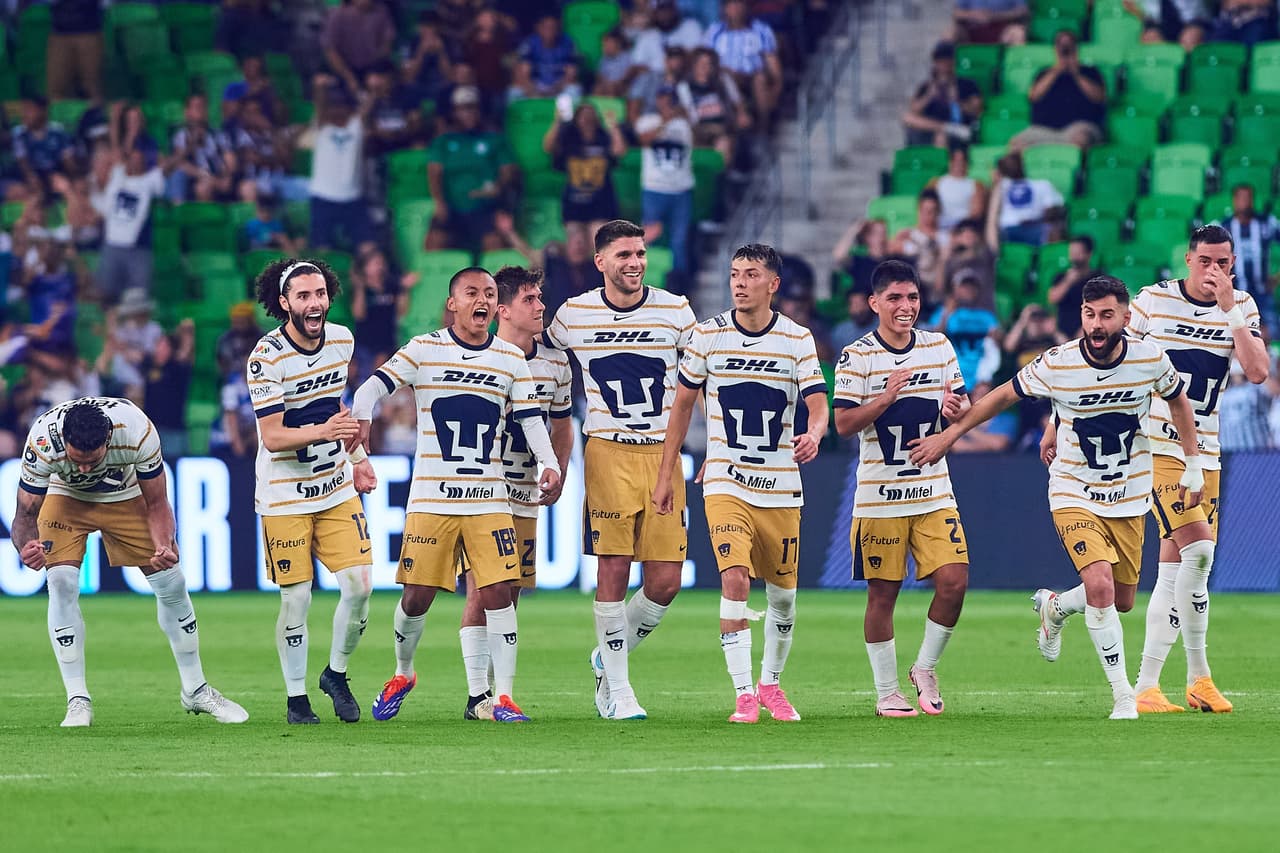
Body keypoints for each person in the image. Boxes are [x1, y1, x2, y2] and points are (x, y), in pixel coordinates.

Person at [910, 275, 1205, 720]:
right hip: (1072, 490)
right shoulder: (1058, 362)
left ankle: (1056, 606)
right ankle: (1124, 696)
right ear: (1081, 316)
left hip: (1128, 495)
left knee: (1121, 600)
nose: (1097, 324)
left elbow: (1179, 401)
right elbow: (1003, 395)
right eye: (1090, 315)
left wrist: (1193, 461)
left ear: (1126, 317)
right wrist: (951, 435)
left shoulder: (1150, 359)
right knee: (1102, 585)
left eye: (1107, 315)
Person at [350, 268, 562, 722]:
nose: (481, 299)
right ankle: (403, 671)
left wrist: (552, 463)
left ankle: (502, 696)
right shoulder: (425, 349)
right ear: (453, 303)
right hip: (432, 500)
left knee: (500, 592)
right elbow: (370, 389)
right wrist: (361, 438)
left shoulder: (509, 359)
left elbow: (528, 420)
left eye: (488, 293)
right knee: (416, 598)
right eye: (472, 293)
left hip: (489, 500)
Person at [654, 243, 828, 723]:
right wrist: (668, 473)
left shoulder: (797, 339)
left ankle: (771, 684)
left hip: (780, 485)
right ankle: (743, 693)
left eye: (751, 274)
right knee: (734, 577)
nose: (739, 282)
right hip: (725, 480)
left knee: (783, 596)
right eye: (734, 273)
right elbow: (682, 408)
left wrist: (813, 433)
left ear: (773, 284)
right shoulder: (707, 336)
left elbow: (818, 403)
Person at [541, 220, 697, 720]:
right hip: (607, 450)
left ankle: (609, 654)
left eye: (640, 253)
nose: (635, 263)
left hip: (663, 454)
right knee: (612, 568)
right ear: (600, 262)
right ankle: (618, 691)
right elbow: (539, 361)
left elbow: (703, 377)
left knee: (666, 582)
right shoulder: (573, 315)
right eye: (624, 254)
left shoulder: (676, 311)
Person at [12, 397, 248, 727]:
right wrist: (25, 547)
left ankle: (196, 689)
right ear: (64, 440)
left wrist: (164, 544)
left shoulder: (136, 430)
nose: (83, 469)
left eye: (91, 461)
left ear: (108, 440)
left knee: (172, 581)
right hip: (65, 498)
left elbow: (156, 502)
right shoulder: (42, 440)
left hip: (126, 495)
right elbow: (24, 513)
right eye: (76, 460)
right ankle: (77, 699)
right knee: (61, 582)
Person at [1123, 226, 1270, 713]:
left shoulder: (1241, 308)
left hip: (1205, 453)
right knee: (1201, 551)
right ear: (1188, 259)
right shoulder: (1153, 301)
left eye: (1222, 263)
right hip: (1156, 448)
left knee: (1180, 570)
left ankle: (1148, 685)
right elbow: (1108, 359)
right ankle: (1199, 675)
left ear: (1232, 264)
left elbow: (1258, 371)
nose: (1214, 271)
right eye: (1205, 261)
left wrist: (1229, 311)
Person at [832, 259, 971, 717]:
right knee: (883, 594)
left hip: (934, 491)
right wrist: (886, 397)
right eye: (894, 298)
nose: (905, 306)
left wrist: (955, 412)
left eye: (911, 297)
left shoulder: (939, 346)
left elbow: (962, 404)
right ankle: (887, 691)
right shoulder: (857, 356)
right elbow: (844, 424)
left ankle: (925, 668)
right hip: (879, 496)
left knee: (954, 582)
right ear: (874, 303)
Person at [248, 258, 378, 724]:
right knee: (296, 598)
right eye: (303, 296)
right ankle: (296, 699)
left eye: (320, 293)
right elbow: (273, 436)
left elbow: (335, 408)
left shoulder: (342, 339)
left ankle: (336, 674)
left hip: (335, 486)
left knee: (360, 586)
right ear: (284, 303)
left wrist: (358, 460)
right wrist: (325, 432)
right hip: (284, 493)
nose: (315, 303)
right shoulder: (266, 357)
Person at [456, 266, 574, 721]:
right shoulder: (475, 354)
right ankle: (477, 695)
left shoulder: (556, 362)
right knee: (484, 589)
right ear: (503, 310)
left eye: (540, 297)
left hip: (525, 491)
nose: (541, 305)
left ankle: (496, 692)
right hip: (480, 490)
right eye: (530, 299)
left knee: (513, 589)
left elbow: (562, 423)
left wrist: (557, 471)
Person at [425, 86, 519, 254]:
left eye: (472, 108)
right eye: (463, 109)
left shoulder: (494, 139)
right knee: (433, 242)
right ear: (454, 112)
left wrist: (498, 186)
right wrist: (439, 202)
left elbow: (508, 169)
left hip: (485, 207)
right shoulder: (444, 141)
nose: (468, 113)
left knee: (494, 243)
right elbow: (434, 172)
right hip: (453, 207)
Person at [637, 87, 696, 288]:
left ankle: (680, 288)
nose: (666, 103)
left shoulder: (684, 124)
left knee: (679, 242)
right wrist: (666, 121)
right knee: (648, 239)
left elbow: (699, 136)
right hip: (654, 189)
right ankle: (644, 284)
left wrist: (680, 116)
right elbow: (643, 140)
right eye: (663, 98)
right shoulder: (647, 121)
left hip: (681, 190)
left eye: (670, 99)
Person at [543, 102, 628, 241]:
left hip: (601, 201)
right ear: (576, 119)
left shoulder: (604, 138)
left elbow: (620, 150)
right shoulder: (569, 140)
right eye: (583, 116)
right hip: (574, 201)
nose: (587, 120)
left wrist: (613, 126)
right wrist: (557, 122)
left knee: (599, 242)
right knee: (576, 243)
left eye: (591, 116)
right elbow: (548, 147)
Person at [1010, 30, 1106, 152]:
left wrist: (1075, 72)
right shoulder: (1044, 73)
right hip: (1045, 129)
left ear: (1076, 48)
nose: (1065, 50)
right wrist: (1056, 70)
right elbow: (1033, 96)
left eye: (1069, 46)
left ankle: (1077, 170)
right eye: (1061, 46)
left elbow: (1099, 97)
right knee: (1016, 143)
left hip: (1080, 127)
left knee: (1081, 140)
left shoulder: (1090, 71)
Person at [307, 78, 374, 252]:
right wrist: (320, 87)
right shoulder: (322, 127)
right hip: (323, 197)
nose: (337, 110)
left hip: (353, 198)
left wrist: (372, 89)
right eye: (333, 106)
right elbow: (320, 105)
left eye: (341, 106)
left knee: (368, 247)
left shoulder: (356, 126)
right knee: (322, 249)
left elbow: (368, 106)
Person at [703, 0, 784, 131]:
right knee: (724, 77)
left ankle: (763, 130)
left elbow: (774, 68)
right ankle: (735, 124)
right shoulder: (714, 31)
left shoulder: (762, 30)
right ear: (725, 8)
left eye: (739, 4)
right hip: (722, 78)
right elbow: (705, 60)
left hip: (752, 78)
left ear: (746, 7)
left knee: (760, 79)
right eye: (731, 4)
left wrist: (776, 91)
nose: (736, 8)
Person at [1217, 184, 1280, 338]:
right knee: (1232, 335)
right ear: (1234, 201)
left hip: (1263, 292)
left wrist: (1277, 277)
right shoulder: (1223, 227)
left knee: (1271, 334)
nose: (1245, 202)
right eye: (1241, 198)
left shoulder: (1267, 223)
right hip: (1235, 292)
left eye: (1248, 198)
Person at [901, 43, 983, 148]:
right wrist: (929, 96)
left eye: (947, 60)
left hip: (958, 129)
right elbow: (914, 110)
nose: (944, 64)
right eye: (940, 61)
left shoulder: (967, 84)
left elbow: (977, 110)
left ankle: (945, 130)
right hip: (931, 128)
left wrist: (956, 101)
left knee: (941, 137)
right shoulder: (927, 86)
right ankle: (944, 127)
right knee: (907, 117)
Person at [986, 151, 1063, 249]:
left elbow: (1057, 210)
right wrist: (996, 182)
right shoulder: (1001, 187)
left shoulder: (1042, 184)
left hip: (1036, 227)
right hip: (1007, 231)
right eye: (1007, 162)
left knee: (1053, 230)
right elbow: (991, 215)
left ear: (1022, 163)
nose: (1011, 164)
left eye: (1014, 161)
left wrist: (1036, 220)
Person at [322, 0, 397, 97]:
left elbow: (387, 42)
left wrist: (376, 71)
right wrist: (348, 77)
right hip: (345, 69)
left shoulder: (381, 12)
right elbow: (330, 50)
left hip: (372, 69)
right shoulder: (338, 15)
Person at [1048, 235, 1100, 338]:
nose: (1074, 257)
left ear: (1089, 254)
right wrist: (1068, 281)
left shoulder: (1098, 278)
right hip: (1061, 335)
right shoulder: (1061, 277)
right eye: (1072, 253)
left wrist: (1085, 329)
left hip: (1089, 331)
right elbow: (1052, 299)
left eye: (1078, 253)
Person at [929, 145, 988, 230]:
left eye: (962, 160)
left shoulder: (976, 185)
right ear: (950, 162)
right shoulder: (936, 183)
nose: (958, 164)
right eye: (955, 160)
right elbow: (928, 207)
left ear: (967, 163)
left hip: (964, 228)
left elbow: (976, 213)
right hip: (940, 227)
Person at [952, 0, 1029, 44]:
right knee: (950, 34)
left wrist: (994, 16)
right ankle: (950, 70)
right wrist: (973, 15)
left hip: (1002, 28)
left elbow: (1022, 11)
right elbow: (957, 13)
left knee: (1017, 34)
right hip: (972, 28)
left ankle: (1011, 69)